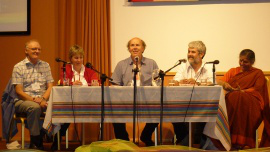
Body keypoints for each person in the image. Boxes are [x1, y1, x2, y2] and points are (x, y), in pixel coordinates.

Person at [216, 49, 270, 150]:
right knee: (234, 97)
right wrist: (225, 85)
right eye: (240, 60)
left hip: (250, 105)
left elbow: (257, 90)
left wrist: (242, 92)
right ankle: (228, 140)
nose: (242, 64)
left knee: (239, 97)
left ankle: (241, 142)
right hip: (231, 104)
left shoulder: (258, 73)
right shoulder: (233, 71)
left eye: (245, 61)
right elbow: (219, 82)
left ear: (252, 62)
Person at [111, 37, 159, 146]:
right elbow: (115, 84)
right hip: (125, 101)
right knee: (114, 113)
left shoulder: (151, 63)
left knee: (159, 110)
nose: (135, 47)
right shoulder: (121, 64)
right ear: (129, 49)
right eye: (132, 45)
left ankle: (146, 136)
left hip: (147, 101)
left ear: (143, 48)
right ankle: (124, 141)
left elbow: (157, 82)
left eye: (138, 45)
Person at [51, 44, 99, 150]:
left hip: (88, 102)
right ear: (71, 59)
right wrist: (72, 83)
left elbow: (96, 80)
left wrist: (96, 83)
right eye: (76, 57)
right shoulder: (66, 68)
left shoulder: (89, 70)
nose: (79, 60)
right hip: (70, 102)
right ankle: (57, 139)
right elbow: (62, 81)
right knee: (66, 114)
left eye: (81, 57)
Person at [11, 40, 54, 149]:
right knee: (34, 108)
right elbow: (19, 91)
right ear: (26, 51)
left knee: (62, 106)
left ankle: (52, 138)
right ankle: (36, 141)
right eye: (34, 49)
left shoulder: (45, 65)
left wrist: (43, 99)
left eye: (39, 49)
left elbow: (50, 86)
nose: (37, 51)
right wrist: (35, 100)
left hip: (42, 99)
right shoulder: (19, 67)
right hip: (23, 100)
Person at [172, 41, 213, 147]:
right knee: (172, 112)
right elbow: (175, 81)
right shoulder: (183, 66)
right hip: (183, 103)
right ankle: (184, 139)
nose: (189, 54)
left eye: (193, 52)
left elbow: (212, 83)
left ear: (201, 54)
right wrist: (180, 82)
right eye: (189, 51)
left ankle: (201, 142)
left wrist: (197, 83)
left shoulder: (208, 67)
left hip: (204, 104)